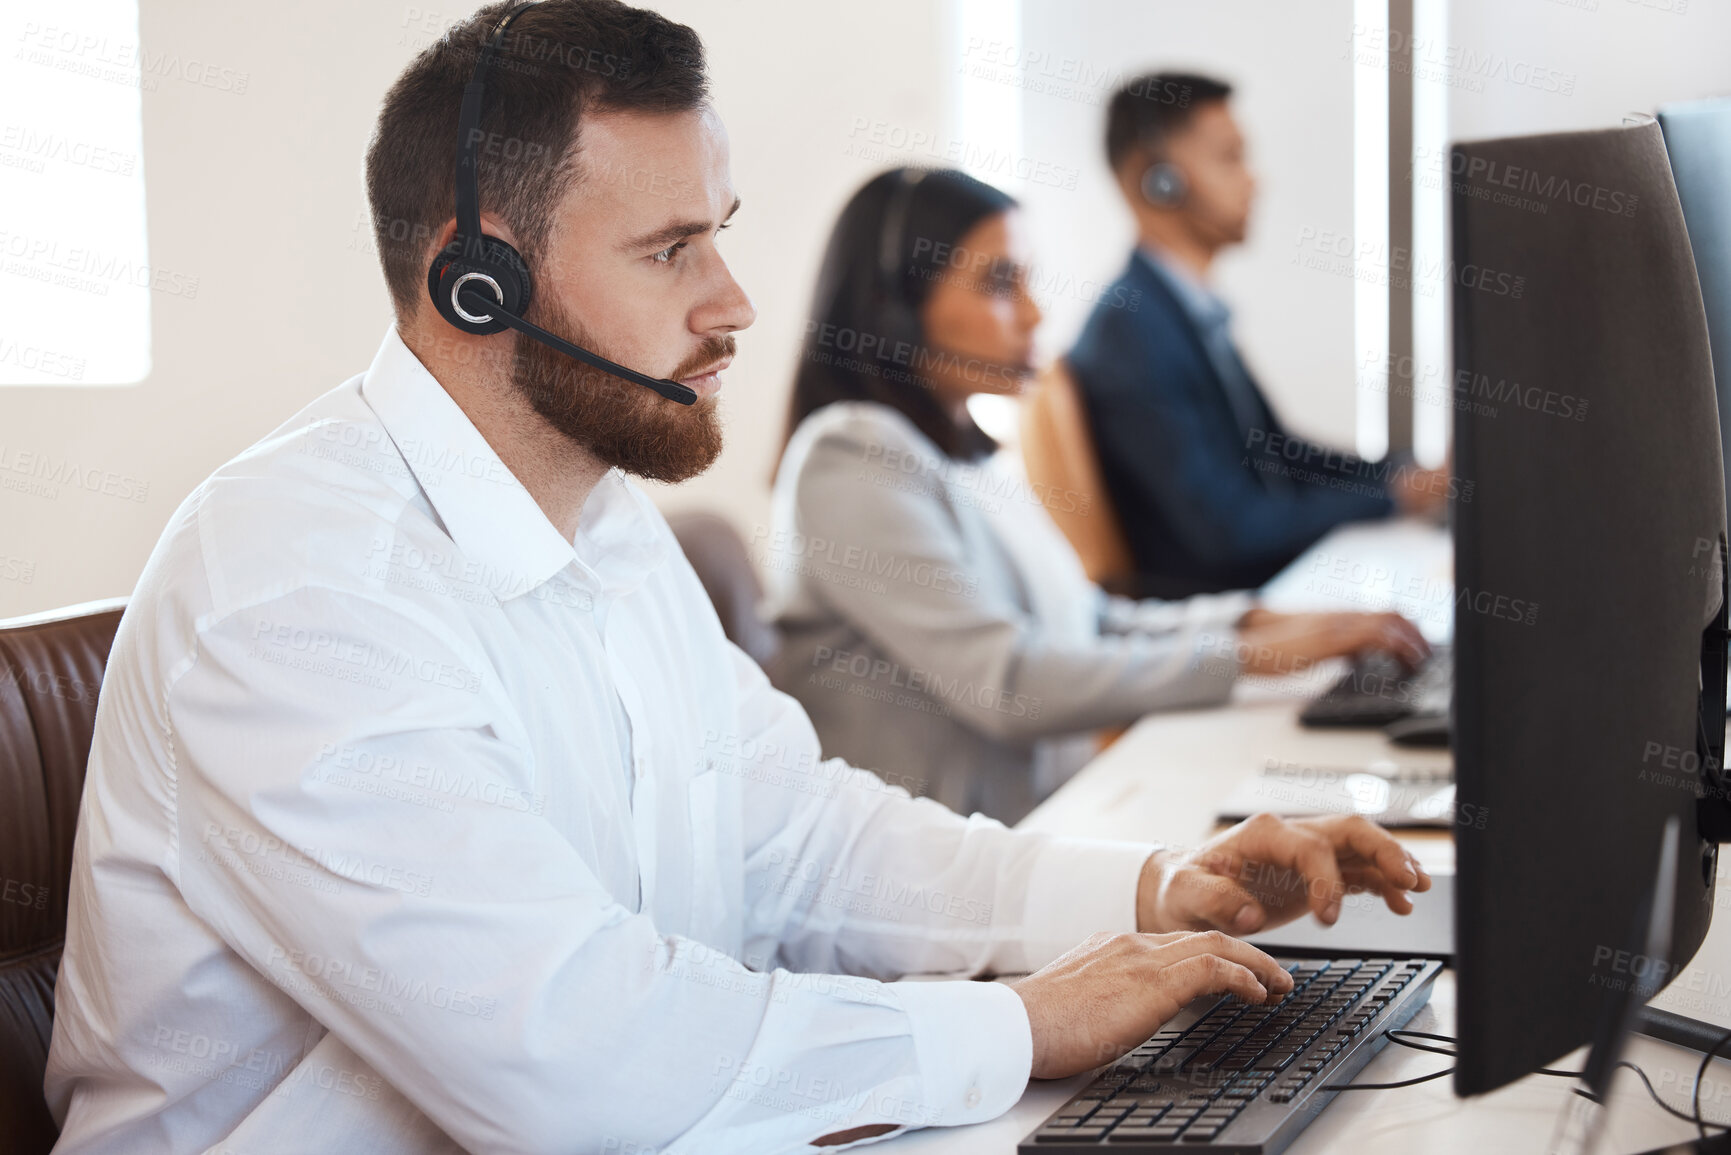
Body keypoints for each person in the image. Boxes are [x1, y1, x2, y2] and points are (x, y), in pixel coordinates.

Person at [43, 7, 1431, 1152]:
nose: (734, 300)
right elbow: (576, 1064)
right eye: (668, 250)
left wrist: (1142, 889)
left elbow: (799, 838)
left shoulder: (603, 520)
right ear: (475, 282)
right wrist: (1021, 1020)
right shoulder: (296, 582)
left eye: (719, 228)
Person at [764, 167, 1429, 825]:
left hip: (1040, 825)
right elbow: (1011, 683)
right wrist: (1249, 656)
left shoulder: (964, 454)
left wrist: (1255, 623)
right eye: (1000, 283)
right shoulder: (850, 457)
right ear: (894, 309)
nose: (1033, 311)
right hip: (937, 881)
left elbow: (1089, 619)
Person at [1068, 72, 1450, 599]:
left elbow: (1279, 452)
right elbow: (1226, 530)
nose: (1254, 180)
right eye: (1229, 158)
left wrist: (1402, 473)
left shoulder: (1182, 310)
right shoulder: (1130, 333)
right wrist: (1395, 497)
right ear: (1157, 180)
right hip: (1220, 617)